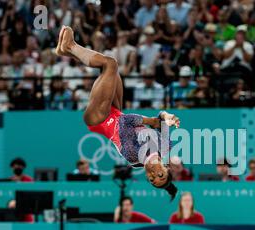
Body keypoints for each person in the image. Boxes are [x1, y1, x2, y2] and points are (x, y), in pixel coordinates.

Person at [55, 26, 179, 199]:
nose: (153, 175)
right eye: (160, 176)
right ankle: (65, 51)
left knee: (109, 64)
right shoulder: (166, 147)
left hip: (100, 119)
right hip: (115, 111)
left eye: (151, 180)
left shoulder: (133, 156)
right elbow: (161, 117)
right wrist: (168, 117)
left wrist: (152, 121)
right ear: (167, 168)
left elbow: (126, 122)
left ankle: (71, 46)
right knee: (111, 69)